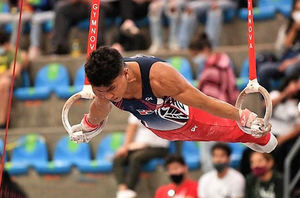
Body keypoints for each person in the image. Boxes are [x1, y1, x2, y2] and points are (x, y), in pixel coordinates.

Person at [70, 46, 277, 153]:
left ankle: (252, 135)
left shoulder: (159, 77)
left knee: (262, 141)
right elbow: (100, 107)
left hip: (191, 120)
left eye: (111, 89)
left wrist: (241, 116)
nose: (108, 96)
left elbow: (204, 102)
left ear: (125, 73)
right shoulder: (103, 85)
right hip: (160, 130)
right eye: (100, 90)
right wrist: (88, 126)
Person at [113, 114, 169, 198]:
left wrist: (145, 144)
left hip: (158, 146)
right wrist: (125, 147)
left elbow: (163, 131)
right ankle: (122, 189)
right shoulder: (134, 108)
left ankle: (129, 189)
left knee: (135, 158)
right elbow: (132, 128)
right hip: (139, 146)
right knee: (119, 158)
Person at [258, 0, 300, 91]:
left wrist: (292, 61)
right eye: (297, 11)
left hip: (296, 63)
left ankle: (285, 96)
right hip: (283, 61)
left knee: (290, 69)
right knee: (264, 70)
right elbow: (280, 51)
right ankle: (266, 101)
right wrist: (293, 31)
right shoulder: (286, 29)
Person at [0, 30, 23, 129]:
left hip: (10, 80)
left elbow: (14, 71)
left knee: (3, 83)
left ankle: (2, 122)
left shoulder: (13, 52)